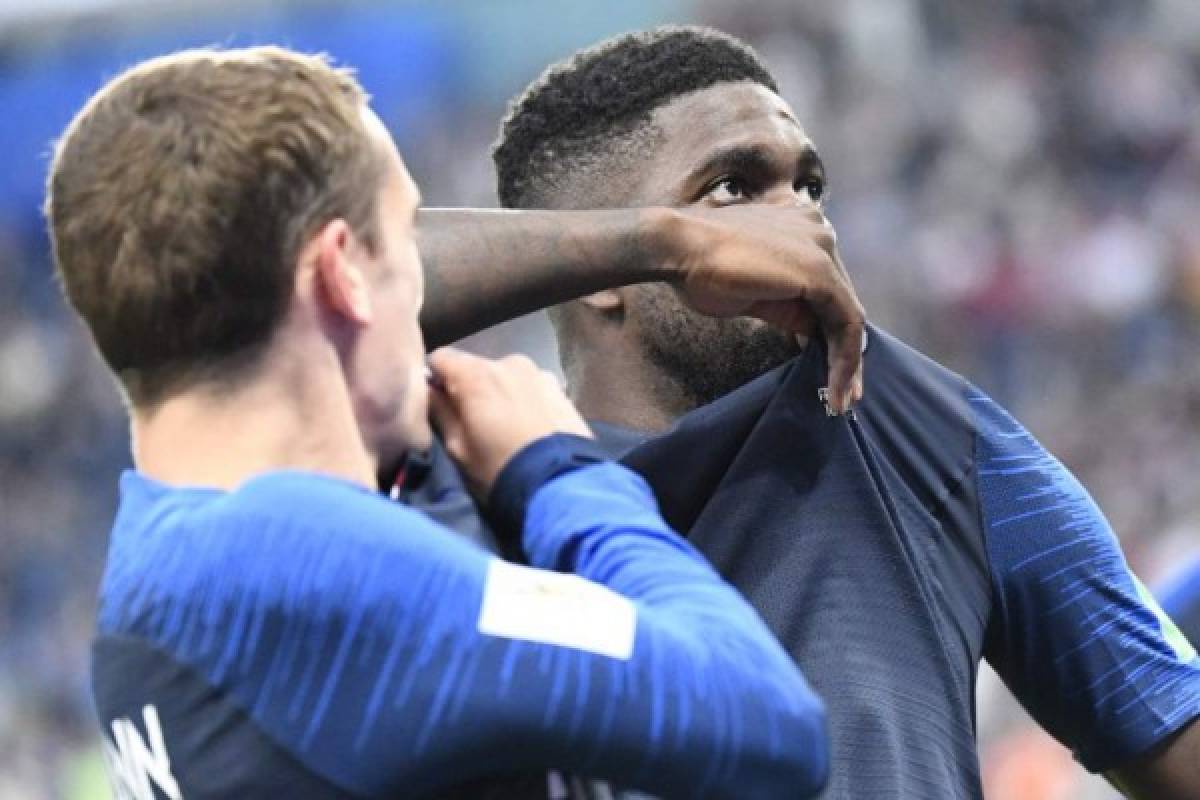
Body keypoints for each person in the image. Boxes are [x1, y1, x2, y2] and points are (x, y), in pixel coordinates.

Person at [400, 26, 1200, 800]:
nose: (802, 223)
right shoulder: (479, 472)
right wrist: (669, 242)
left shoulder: (932, 430)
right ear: (602, 268)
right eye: (732, 189)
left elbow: (1170, 734)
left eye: (808, 187)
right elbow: (314, 284)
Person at [46, 46, 844, 799]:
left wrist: (662, 242)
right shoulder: (316, 564)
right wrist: (560, 470)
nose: (426, 296)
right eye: (405, 240)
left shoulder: (157, 557)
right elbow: (768, 723)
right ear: (340, 274)